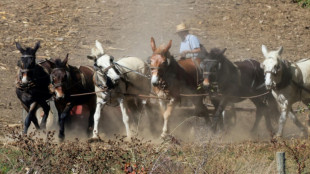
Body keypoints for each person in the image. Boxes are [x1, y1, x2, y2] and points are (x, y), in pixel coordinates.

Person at [176, 22, 208, 87]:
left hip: (195, 58)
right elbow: (182, 53)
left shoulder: (192, 38)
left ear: (183, 32)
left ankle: (204, 80)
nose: (178, 35)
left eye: (179, 33)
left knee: (202, 66)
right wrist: (180, 55)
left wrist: (188, 51)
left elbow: (198, 50)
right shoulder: (182, 41)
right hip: (186, 59)